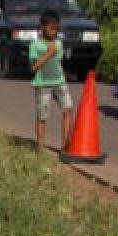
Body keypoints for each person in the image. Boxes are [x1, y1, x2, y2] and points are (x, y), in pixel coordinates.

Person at [29, 10, 72, 153]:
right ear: (43, 28)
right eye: (51, 28)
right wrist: (48, 54)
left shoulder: (59, 44)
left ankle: (65, 143)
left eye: (56, 29)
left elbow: (58, 62)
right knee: (43, 116)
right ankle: (40, 146)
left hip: (59, 81)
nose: (54, 32)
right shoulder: (35, 45)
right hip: (43, 84)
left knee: (67, 109)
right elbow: (34, 67)